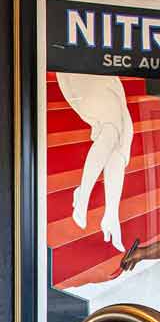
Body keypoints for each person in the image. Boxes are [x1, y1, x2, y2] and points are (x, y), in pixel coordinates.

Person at [56, 72, 134, 252]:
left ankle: (111, 214)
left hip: (101, 73)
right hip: (82, 73)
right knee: (112, 127)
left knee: (124, 135)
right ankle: (83, 196)